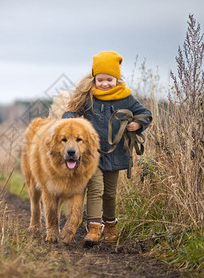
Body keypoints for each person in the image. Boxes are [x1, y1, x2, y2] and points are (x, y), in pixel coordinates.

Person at [62, 51, 152, 244]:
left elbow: (145, 113)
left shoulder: (126, 97)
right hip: (91, 155)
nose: (104, 84)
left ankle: (110, 226)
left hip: (116, 153)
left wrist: (137, 124)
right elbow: (69, 113)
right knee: (96, 189)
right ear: (94, 79)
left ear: (117, 79)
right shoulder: (88, 97)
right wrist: (72, 121)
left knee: (110, 193)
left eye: (109, 79)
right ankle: (93, 228)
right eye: (100, 79)